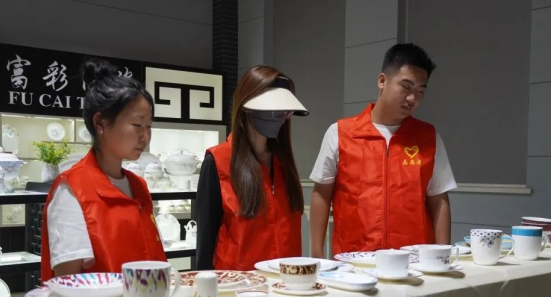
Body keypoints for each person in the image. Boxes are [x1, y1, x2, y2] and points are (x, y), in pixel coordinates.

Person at [310, 43, 457, 257]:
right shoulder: (340, 133)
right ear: (382, 81)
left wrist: (443, 257)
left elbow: (439, 200)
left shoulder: (428, 137)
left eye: (420, 91)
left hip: (413, 261)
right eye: (406, 87)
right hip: (354, 260)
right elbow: (321, 194)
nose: (412, 98)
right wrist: (317, 255)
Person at [41, 59, 166, 281]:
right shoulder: (72, 189)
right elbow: (67, 284)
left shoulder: (138, 185)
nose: (145, 136)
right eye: (137, 125)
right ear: (100, 124)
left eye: (149, 126)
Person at [196, 65, 309, 271]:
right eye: (275, 110)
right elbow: (205, 239)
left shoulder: (283, 164)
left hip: (286, 281)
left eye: (286, 111)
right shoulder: (218, 161)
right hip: (238, 283)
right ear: (247, 108)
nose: (283, 117)